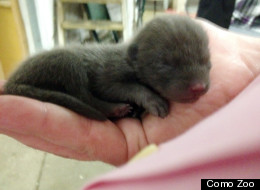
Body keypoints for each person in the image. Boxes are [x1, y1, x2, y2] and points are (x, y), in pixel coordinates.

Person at [0, 18, 260, 166]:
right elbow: (107, 84)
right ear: (136, 57)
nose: (198, 84)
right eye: (169, 66)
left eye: (204, 63)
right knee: (70, 65)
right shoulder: (120, 64)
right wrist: (141, 96)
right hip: (49, 73)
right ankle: (95, 104)